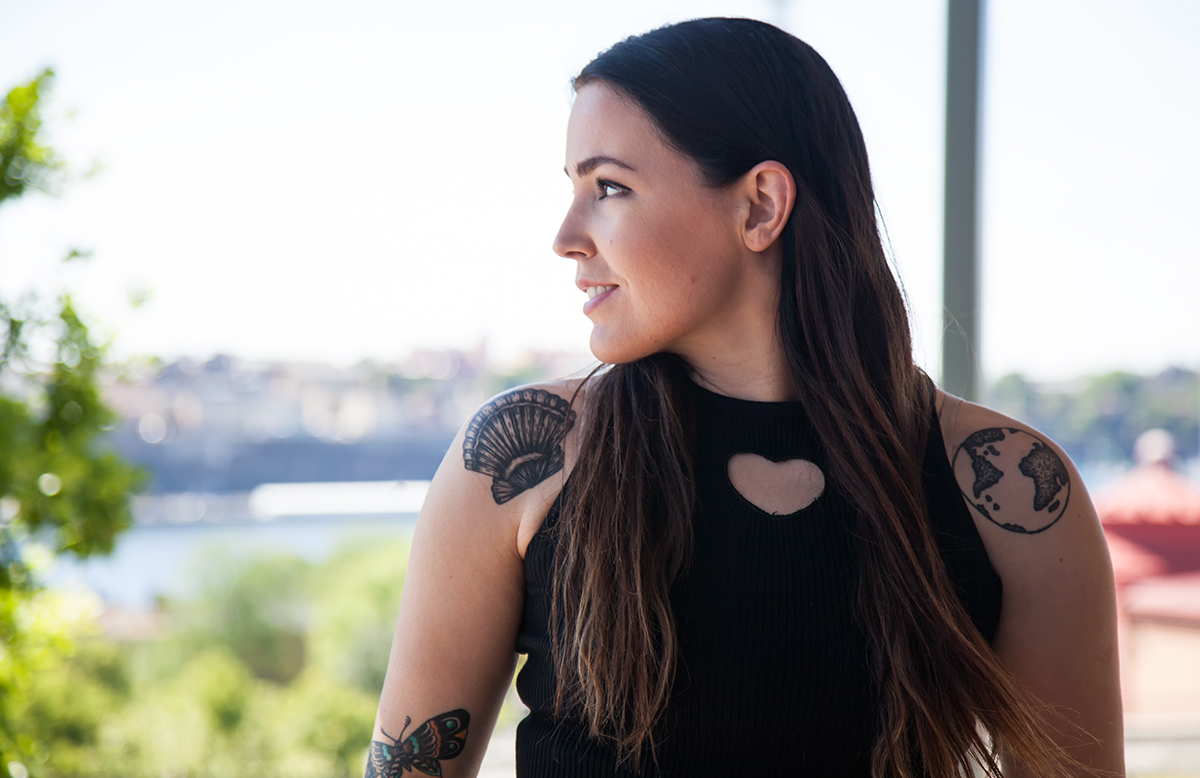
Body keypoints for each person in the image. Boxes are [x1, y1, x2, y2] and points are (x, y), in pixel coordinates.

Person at [365, 18, 1123, 778]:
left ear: (760, 205)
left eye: (610, 188)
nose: (566, 236)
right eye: (574, 189)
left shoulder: (1017, 492)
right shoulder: (521, 459)